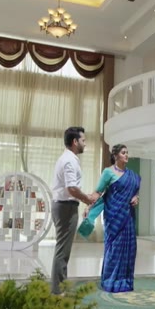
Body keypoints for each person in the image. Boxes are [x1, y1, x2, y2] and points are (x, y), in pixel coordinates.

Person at [83, 144, 141, 292]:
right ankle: (110, 280)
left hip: (128, 216)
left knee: (129, 249)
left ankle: (125, 281)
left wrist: (136, 197)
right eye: (123, 153)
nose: (126, 155)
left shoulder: (132, 175)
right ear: (115, 156)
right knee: (114, 248)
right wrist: (88, 207)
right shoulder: (108, 172)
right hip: (113, 216)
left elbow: (135, 192)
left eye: (127, 152)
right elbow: (97, 192)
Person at [50, 126, 96, 294]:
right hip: (66, 208)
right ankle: (58, 291)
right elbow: (72, 188)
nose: (85, 143)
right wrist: (87, 199)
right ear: (75, 141)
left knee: (63, 250)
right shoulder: (69, 160)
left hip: (64, 206)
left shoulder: (68, 158)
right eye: (83, 140)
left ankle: (59, 287)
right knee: (63, 251)